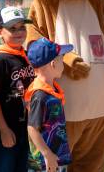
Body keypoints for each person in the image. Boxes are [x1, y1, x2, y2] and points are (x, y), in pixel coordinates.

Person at [0, 6, 35, 172]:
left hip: (24, 127)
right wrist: (4, 129)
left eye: (22, 27)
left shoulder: (26, 56)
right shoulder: (0, 60)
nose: (19, 32)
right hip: (5, 127)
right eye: (12, 28)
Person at [24, 38, 73, 172]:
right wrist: (47, 154)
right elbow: (32, 128)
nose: (63, 63)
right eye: (61, 59)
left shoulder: (51, 91)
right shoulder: (40, 96)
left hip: (55, 158)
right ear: (53, 64)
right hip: (45, 163)